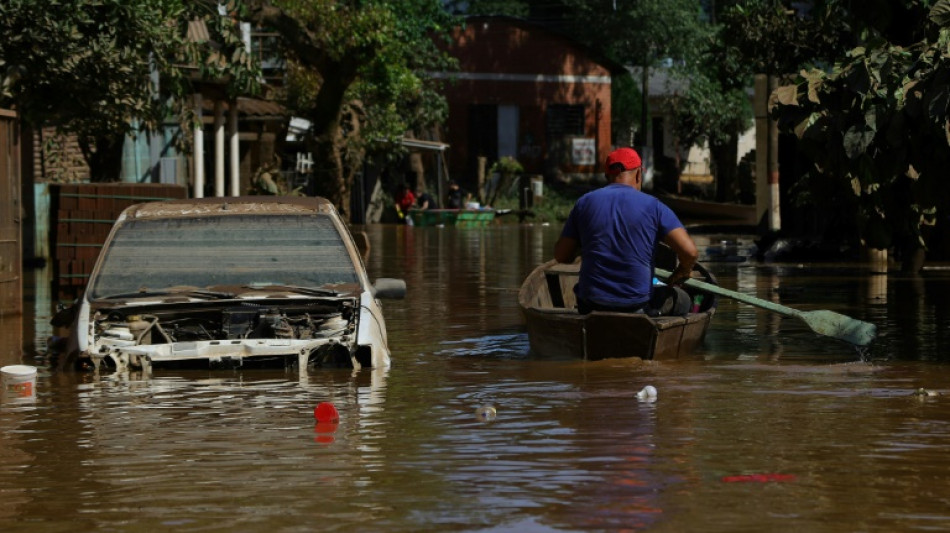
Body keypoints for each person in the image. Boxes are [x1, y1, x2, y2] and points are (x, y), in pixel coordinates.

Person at [553, 147, 698, 315]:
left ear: (607, 176)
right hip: (635, 305)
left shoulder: (584, 203)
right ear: (638, 174)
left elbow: (561, 256)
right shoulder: (654, 206)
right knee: (683, 300)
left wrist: (581, 247)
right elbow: (690, 253)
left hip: (591, 304)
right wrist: (682, 271)